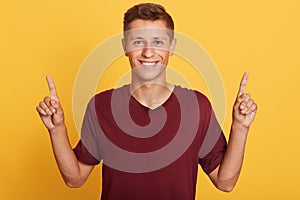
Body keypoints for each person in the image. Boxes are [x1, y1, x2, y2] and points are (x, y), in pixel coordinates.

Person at [36, 3, 257, 200]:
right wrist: (57, 129)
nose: (148, 52)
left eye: (158, 42)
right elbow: (74, 179)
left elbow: (225, 182)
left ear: (172, 46)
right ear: (125, 47)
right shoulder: (100, 106)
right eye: (138, 41)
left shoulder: (197, 106)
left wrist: (240, 127)